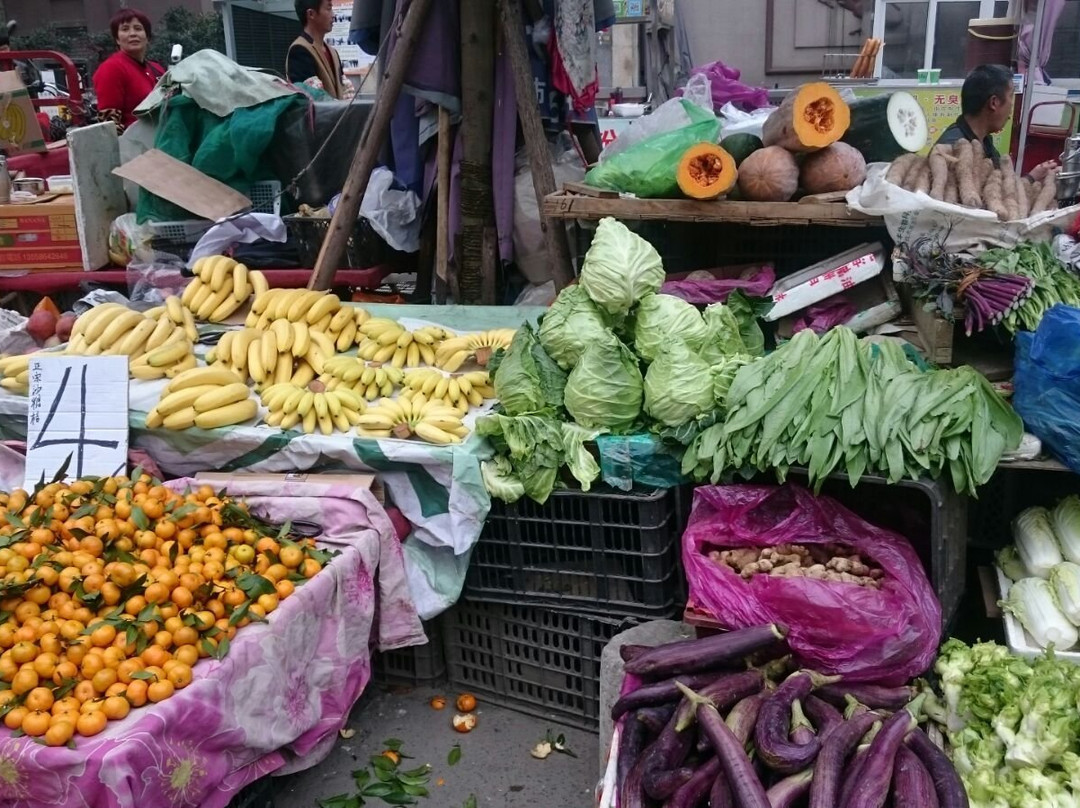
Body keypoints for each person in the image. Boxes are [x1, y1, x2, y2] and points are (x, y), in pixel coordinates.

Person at [936, 63, 1057, 180]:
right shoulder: (953, 150)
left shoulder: (985, 140)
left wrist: (1032, 178)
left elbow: (999, 187)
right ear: (994, 102)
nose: (1011, 105)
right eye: (1011, 96)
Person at [92, 9, 165, 134]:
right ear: (117, 39)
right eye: (125, 29)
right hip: (133, 143)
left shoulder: (157, 69)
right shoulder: (111, 68)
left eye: (138, 28)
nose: (132, 34)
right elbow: (109, 125)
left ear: (147, 37)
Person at [286, 0, 349, 100]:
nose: (333, 15)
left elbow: (345, 89)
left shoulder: (332, 52)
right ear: (311, 14)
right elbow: (313, 97)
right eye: (328, 8)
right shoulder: (299, 50)